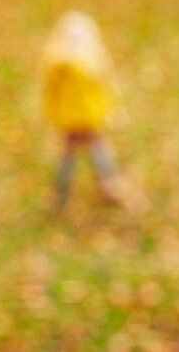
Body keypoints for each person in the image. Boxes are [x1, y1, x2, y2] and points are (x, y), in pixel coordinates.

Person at [42, 11, 123, 210]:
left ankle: (64, 195)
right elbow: (103, 89)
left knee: (76, 155)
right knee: (95, 151)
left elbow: (52, 92)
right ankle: (108, 186)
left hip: (75, 118)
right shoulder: (86, 64)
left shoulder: (60, 66)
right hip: (86, 118)